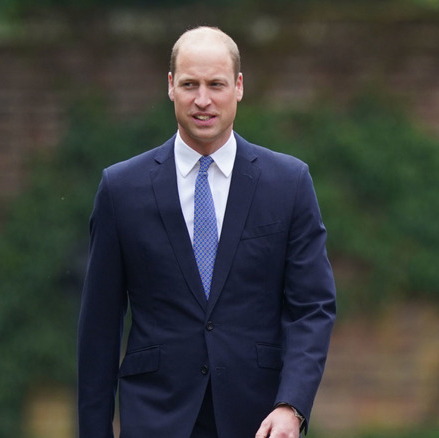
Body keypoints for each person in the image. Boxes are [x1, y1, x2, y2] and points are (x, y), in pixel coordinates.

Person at [77, 26, 337, 438]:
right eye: (189, 85)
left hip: (259, 418)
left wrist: (293, 406)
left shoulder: (288, 183)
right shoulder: (121, 189)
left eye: (215, 84)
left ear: (238, 87)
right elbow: (99, 327)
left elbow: (312, 307)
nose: (202, 100)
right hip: (155, 416)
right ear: (170, 87)